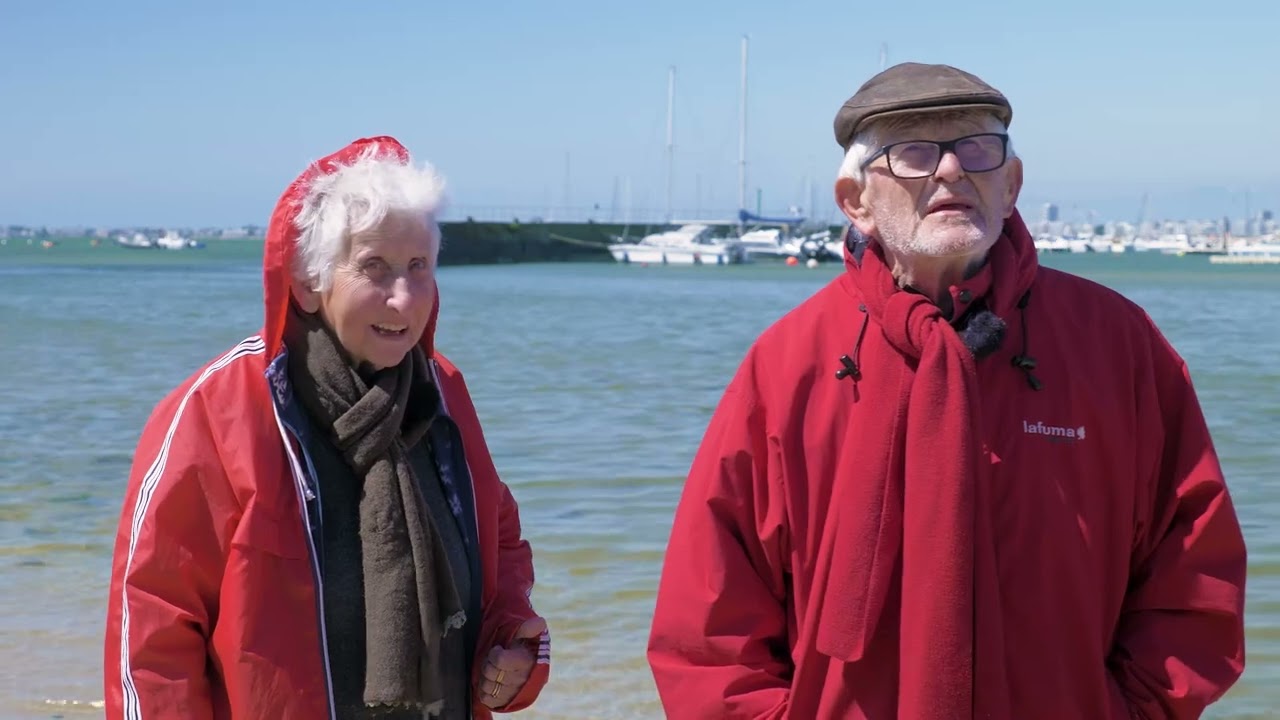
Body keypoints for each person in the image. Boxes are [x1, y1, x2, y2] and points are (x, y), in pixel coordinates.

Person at [647, 63, 1247, 719]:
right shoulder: (789, 365)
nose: (952, 171)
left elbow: (1195, 568)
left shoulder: (1116, 343)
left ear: (1012, 184)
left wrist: (1127, 709)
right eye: (913, 152)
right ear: (855, 200)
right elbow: (709, 621)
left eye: (977, 149)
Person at [104, 136, 550, 719]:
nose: (403, 298)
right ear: (308, 282)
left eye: (419, 267)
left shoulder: (441, 391)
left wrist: (512, 642)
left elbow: (499, 537)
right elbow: (153, 626)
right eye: (374, 267)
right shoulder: (222, 409)